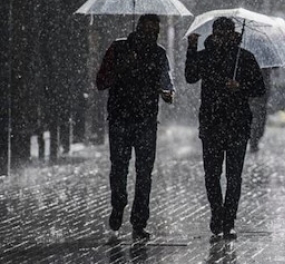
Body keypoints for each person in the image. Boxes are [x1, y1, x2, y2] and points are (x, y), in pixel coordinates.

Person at [95, 14, 175, 241]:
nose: (151, 36)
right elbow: (101, 82)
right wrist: (122, 66)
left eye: (155, 33)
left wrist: (168, 94)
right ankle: (118, 205)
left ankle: (139, 222)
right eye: (148, 31)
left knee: (144, 173)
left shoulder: (158, 54)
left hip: (146, 121)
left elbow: (167, 84)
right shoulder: (118, 49)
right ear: (138, 29)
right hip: (120, 119)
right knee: (119, 168)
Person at [185, 17, 266, 239]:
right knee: (212, 174)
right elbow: (190, 77)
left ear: (233, 35)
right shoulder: (205, 56)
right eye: (218, 35)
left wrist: (239, 86)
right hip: (211, 123)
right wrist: (191, 49)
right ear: (213, 34)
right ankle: (217, 213)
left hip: (237, 124)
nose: (221, 39)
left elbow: (259, 88)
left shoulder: (245, 58)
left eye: (226, 35)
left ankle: (229, 220)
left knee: (233, 176)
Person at [249, 68, 272, 152]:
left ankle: (254, 137)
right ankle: (254, 138)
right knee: (258, 117)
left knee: (258, 116)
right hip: (258, 93)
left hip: (259, 94)